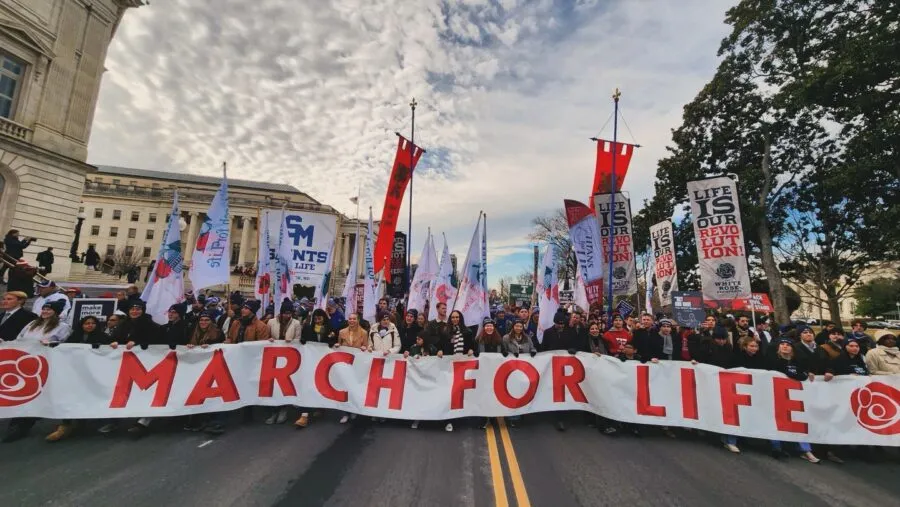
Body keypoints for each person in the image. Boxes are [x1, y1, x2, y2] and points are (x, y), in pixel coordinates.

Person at [2, 300, 71, 443]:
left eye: (49, 310)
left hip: (44, 364)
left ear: (56, 312)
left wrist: (51, 343)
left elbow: (65, 344)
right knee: (22, 392)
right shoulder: (32, 323)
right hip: (25, 362)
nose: (45, 311)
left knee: (36, 393)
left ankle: (23, 425)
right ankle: (16, 423)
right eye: (44, 309)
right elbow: (19, 339)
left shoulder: (62, 327)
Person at [767, 339, 820, 463]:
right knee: (776, 420)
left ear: (792, 348)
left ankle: (806, 450)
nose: (785, 346)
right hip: (777, 396)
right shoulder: (773, 361)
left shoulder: (798, 362)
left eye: (788, 345)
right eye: (782, 344)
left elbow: (802, 376)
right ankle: (776, 447)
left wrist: (797, 375)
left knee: (799, 422)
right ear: (778, 348)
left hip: (794, 397)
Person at [184, 313, 229, 434]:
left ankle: (217, 422)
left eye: (207, 320)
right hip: (198, 368)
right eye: (201, 320)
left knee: (215, 394)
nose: (203, 322)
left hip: (214, 367)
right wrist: (190, 346)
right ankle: (199, 420)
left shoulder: (218, 333)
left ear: (211, 322)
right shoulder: (193, 332)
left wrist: (211, 347)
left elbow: (223, 347)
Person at [295, 308, 333, 429]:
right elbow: (303, 341)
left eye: (319, 318)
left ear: (324, 318)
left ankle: (320, 406)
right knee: (307, 386)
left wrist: (332, 340)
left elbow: (332, 343)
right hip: (310, 362)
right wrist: (302, 341)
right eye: (315, 318)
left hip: (323, 363)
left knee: (321, 385)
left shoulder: (329, 329)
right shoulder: (307, 328)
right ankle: (304, 415)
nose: (317, 321)